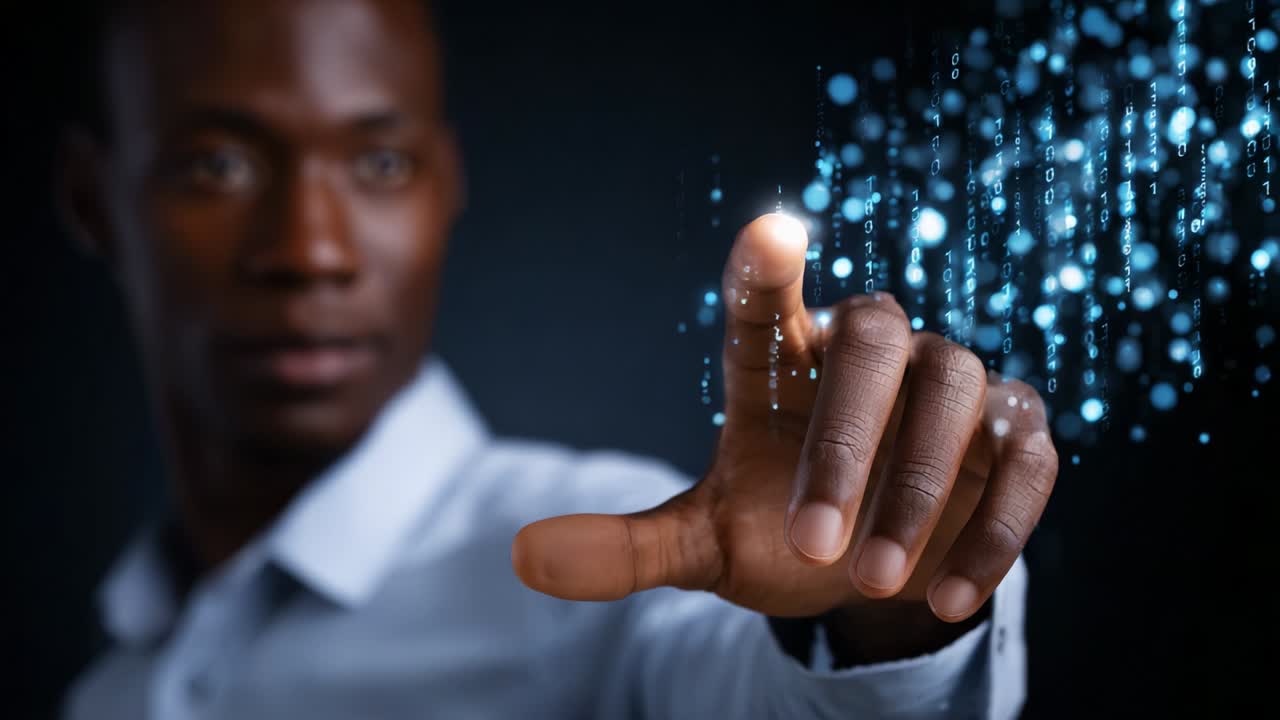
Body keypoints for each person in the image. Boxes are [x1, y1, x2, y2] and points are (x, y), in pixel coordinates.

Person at [57, 0, 1057, 717]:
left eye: (379, 162)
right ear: (93, 201)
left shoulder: (602, 579)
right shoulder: (106, 686)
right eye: (218, 164)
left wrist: (874, 615)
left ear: (444, 184)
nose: (310, 250)